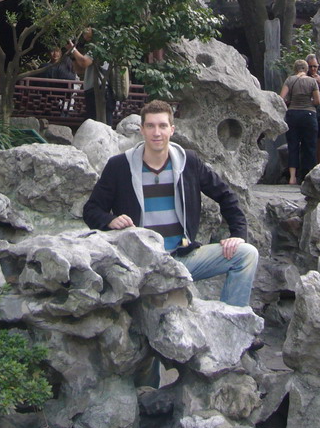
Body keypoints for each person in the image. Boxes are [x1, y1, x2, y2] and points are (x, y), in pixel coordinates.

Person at [82, 99, 259, 307]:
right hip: (141, 261)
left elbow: (226, 195)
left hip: (183, 258)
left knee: (246, 254)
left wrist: (237, 235)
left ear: (172, 130)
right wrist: (110, 220)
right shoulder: (120, 166)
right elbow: (91, 210)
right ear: (142, 130)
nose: (157, 132)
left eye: (162, 126)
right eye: (150, 126)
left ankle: (234, 322)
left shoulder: (189, 162)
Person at [280, 59, 320, 185]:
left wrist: (290, 102)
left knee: (293, 145)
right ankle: (308, 176)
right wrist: (309, 102)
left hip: (292, 114)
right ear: (306, 68)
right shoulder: (312, 81)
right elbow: (318, 101)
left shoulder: (289, 80)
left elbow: (281, 98)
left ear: (295, 69)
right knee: (309, 145)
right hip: (309, 114)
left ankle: (292, 177)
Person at [67, 28, 115, 124]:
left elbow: (84, 62)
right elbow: (80, 69)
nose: (84, 31)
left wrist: (72, 49)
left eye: (87, 28)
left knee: (102, 125)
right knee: (94, 124)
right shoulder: (92, 46)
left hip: (101, 90)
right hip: (92, 91)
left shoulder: (101, 45)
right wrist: (73, 54)